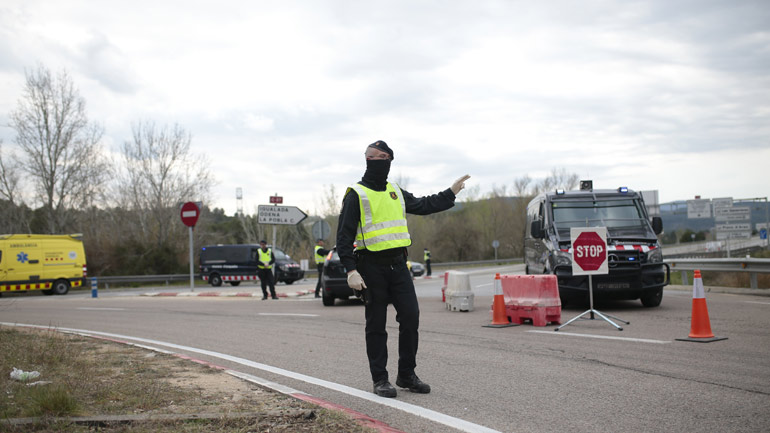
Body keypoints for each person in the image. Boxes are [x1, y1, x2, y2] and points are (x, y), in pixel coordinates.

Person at [336, 140, 470, 398]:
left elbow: (424, 205)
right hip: (370, 267)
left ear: (389, 161)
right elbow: (344, 236)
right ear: (366, 159)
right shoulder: (356, 193)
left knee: (410, 317)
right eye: (372, 156)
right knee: (376, 324)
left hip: (399, 266)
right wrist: (350, 270)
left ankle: (406, 375)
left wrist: (451, 192)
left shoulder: (395, 191)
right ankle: (380, 379)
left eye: (383, 156)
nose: (377, 160)